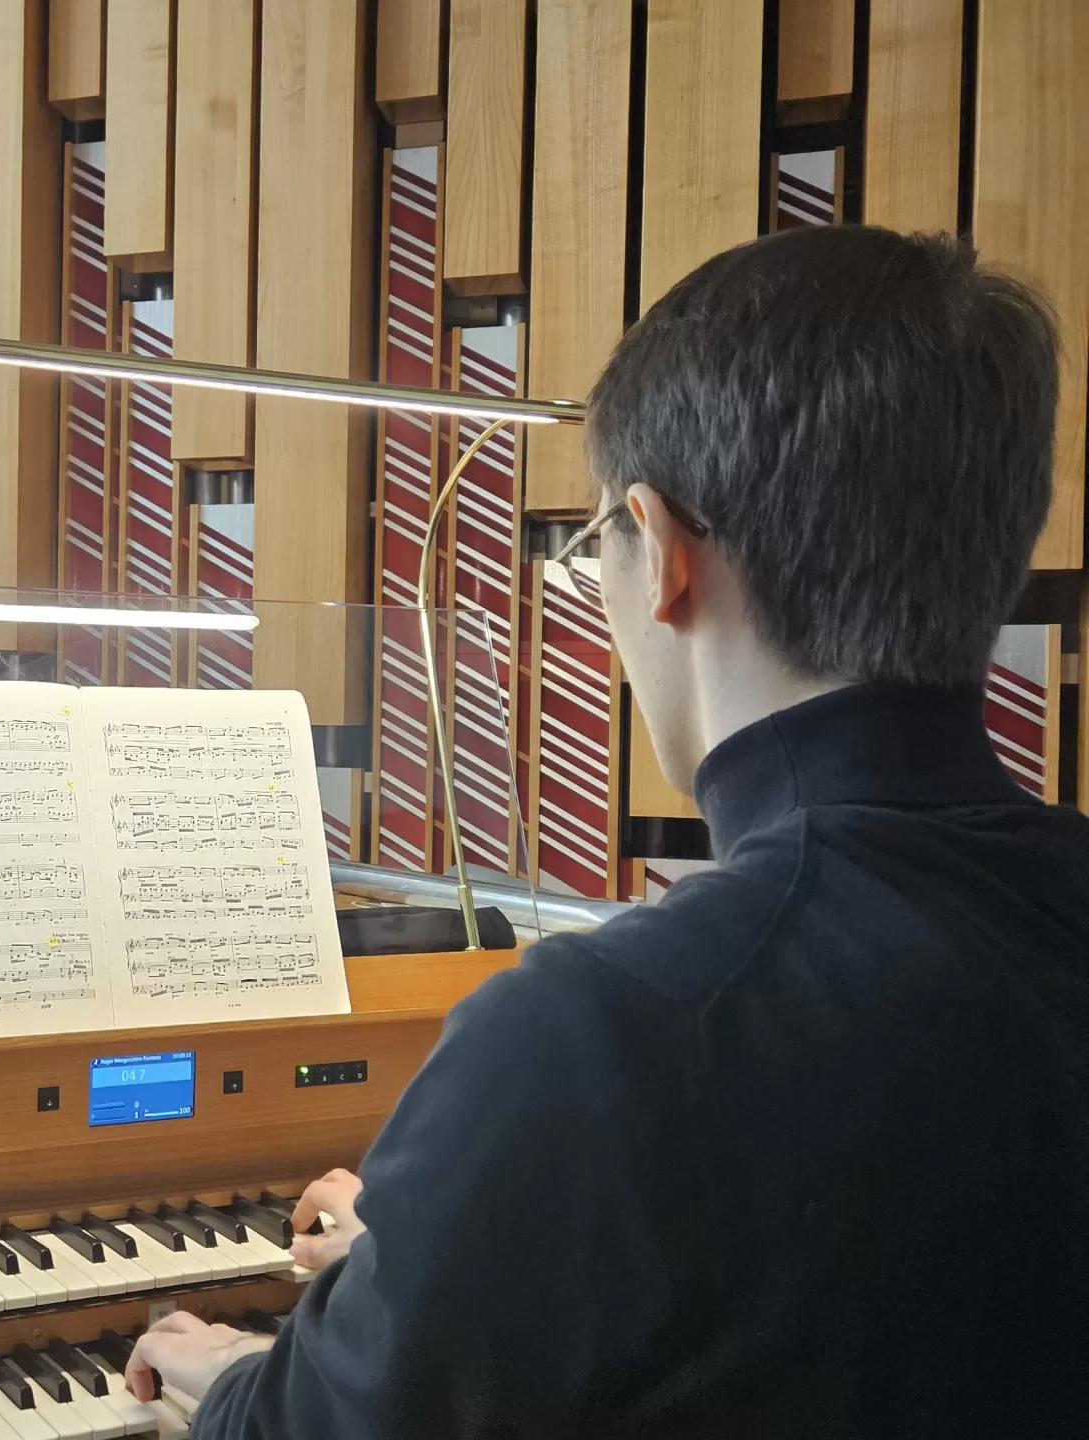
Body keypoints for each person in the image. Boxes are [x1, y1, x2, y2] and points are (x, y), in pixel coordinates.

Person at [127, 225, 1089, 1436]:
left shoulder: (604, 1030)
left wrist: (238, 1387)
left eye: (601, 549)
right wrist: (462, 1244)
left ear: (665, 552)